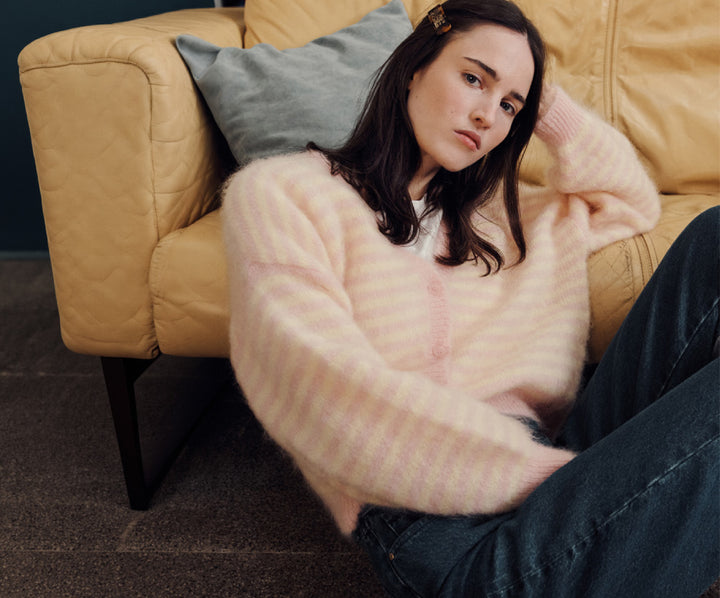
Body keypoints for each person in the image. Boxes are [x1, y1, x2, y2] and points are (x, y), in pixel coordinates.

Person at [221, 0, 720, 595]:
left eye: (509, 105)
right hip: (441, 519)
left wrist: (540, 101)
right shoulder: (282, 193)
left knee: (713, 235)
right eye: (473, 78)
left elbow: (627, 198)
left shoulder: (508, 220)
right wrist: (564, 480)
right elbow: (319, 388)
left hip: (554, 463)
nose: (487, 115)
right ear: (414, 68)